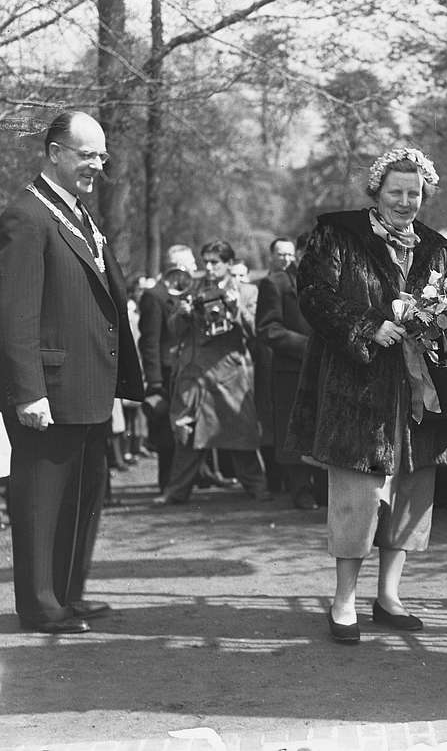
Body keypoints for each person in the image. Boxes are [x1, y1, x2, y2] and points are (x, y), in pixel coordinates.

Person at [285, 146, 447, 644]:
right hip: (356, 390)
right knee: (357, 499)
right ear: (377, 191)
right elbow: (314, 295)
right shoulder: (337, 232)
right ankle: (343, 601)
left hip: (419, 393)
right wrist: (369, 327)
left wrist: (446, 325)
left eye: (415, 193)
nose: (406, 202)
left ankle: (389, 596)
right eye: (396, 193)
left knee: (411, 496)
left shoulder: (437, 245)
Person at [0, 110, 144, 633]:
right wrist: (27, 392)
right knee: (41, 500)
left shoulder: (77, 214)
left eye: (101, 155)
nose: (96, 165)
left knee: (81, 500)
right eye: (86, 154)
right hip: (50, 392)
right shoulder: (27, 215)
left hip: (87, 387)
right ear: (55, 152)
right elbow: (16, 311)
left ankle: (66, 593)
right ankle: (40, 604)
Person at [153, 240, 270, 505]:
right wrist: (181, 313)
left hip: (230, 375)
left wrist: (236, 306)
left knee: (241, 435)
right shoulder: (192, 288)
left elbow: (256, 331)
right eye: (205, 261)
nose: (208, 267)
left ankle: (258, 488)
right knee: (187, 436)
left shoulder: (248, 291)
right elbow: (174, 331)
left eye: (215, 262)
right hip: (195, 375)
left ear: (229, 264)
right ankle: (176, 492)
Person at [256, 236, 324, 509]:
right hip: (292, 369)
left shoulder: (332, 284)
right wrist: (307, 346)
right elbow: (268, 329)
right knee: (295, 429)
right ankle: (300, 489)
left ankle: (322, 488)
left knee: (322, 428)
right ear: (299, 253)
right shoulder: (277, 284)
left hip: (326, 370)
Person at [138, 244, 199, 490]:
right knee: (166, 431)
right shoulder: (154, 296)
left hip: (184, 367)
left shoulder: (184, 290)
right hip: (165, 372)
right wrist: (154, 382)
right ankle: (167, 481)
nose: (195, 267)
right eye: (191, 262)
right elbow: (149, 342)